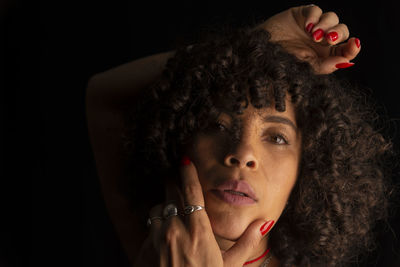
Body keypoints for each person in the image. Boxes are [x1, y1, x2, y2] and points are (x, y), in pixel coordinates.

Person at [85, 5, 395, 267]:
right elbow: (105, 96)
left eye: (277, 138)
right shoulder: (160, 243)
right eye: (217, 125)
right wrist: (262, 42)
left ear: (306, 170)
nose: (243, 153)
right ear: (180, 136)